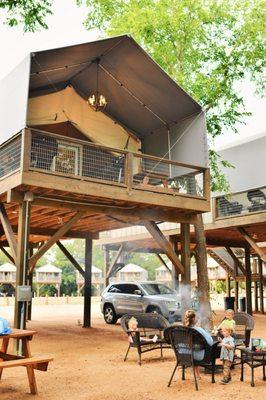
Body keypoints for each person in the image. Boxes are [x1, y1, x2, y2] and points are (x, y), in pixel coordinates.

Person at [184, 310, 213, 380]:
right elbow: (210, 342)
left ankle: (197, 375)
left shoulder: (181, 330)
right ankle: (198, 375)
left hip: (184, 355)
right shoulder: (198, 329)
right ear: (194, 319)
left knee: (193, 349)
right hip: (198, 356)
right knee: (197, 350)